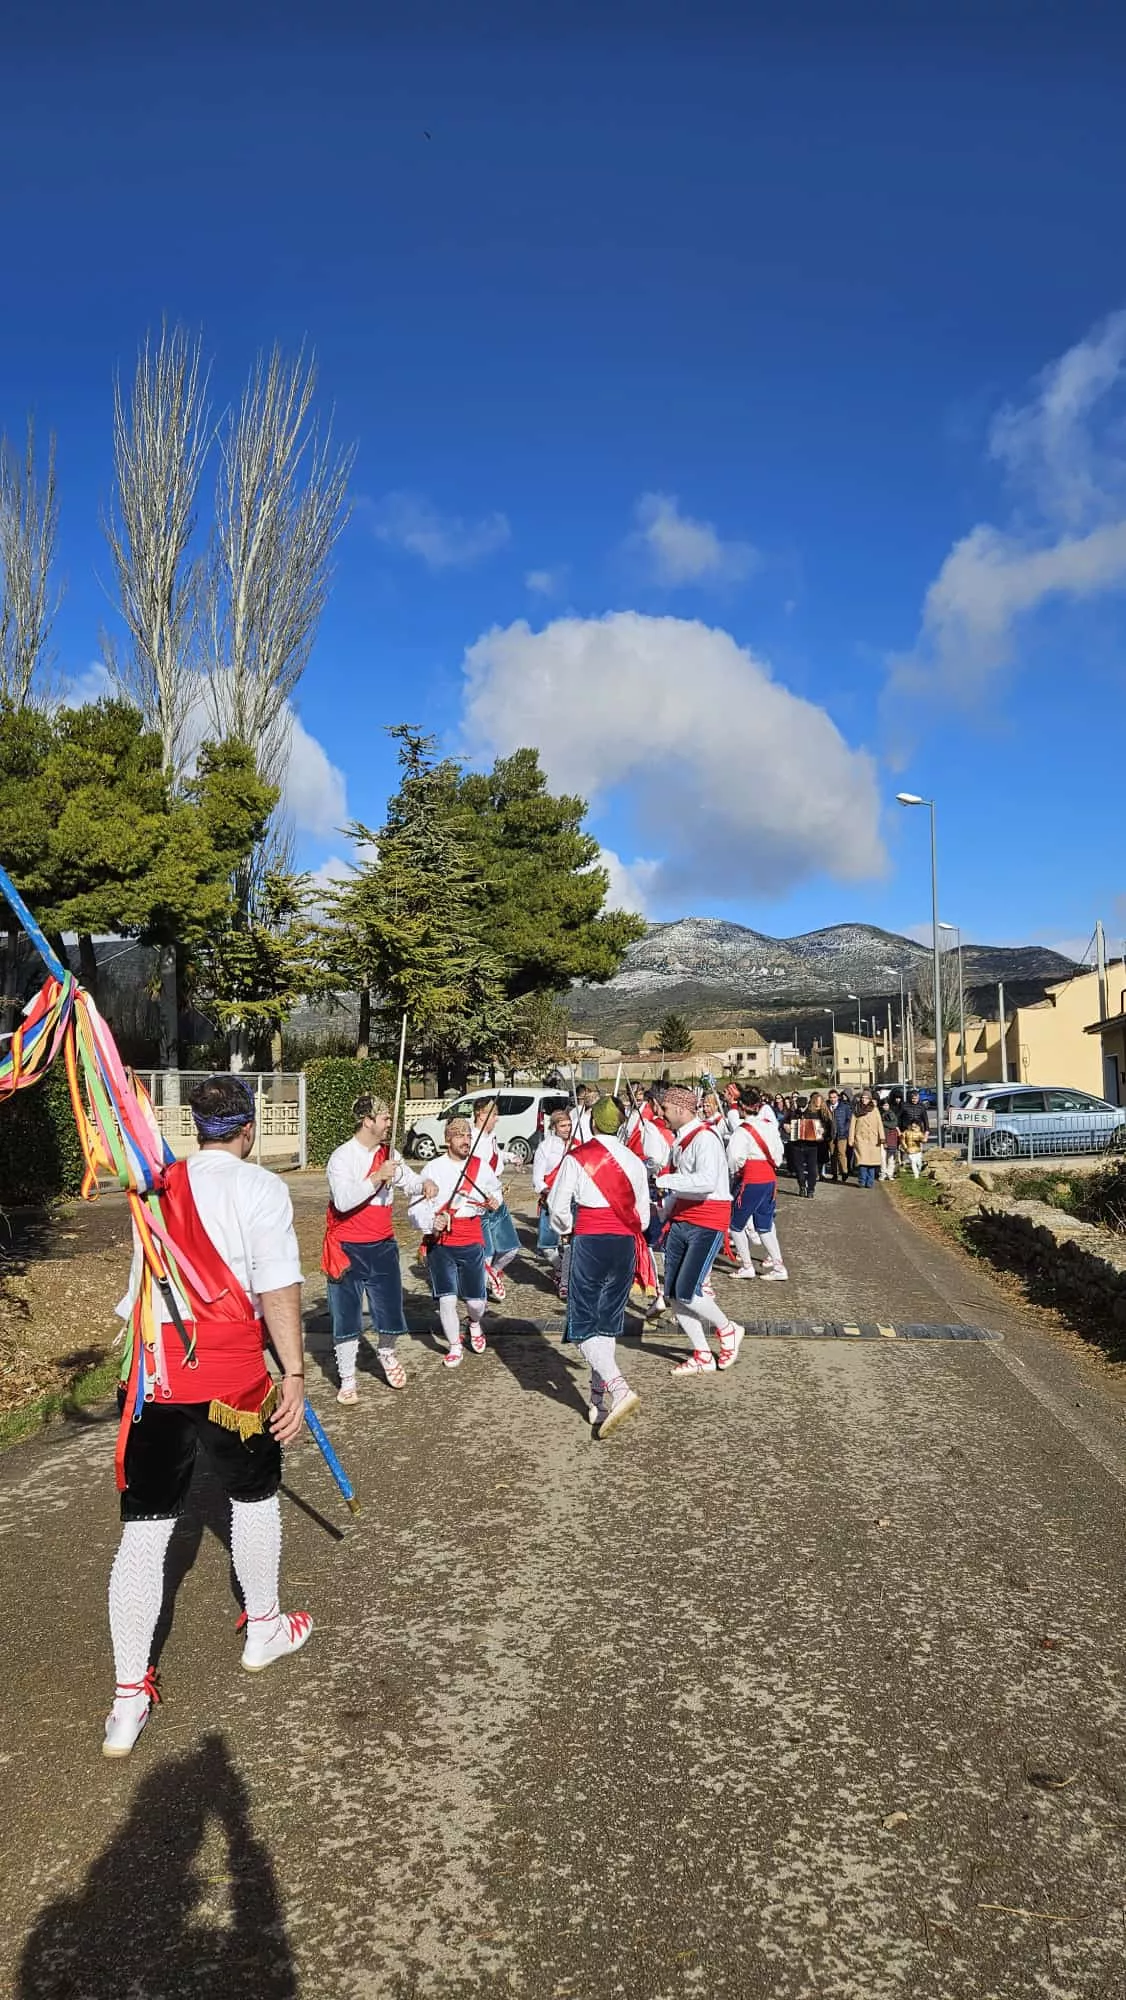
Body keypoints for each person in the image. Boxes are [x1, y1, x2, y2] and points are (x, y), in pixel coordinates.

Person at [103, 1076, 310, 1760]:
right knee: (252, 1500)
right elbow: (278, 1288)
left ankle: (128, 1697)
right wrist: (296, 1377)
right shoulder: (261, 1189)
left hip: (157, 1373)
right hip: (232, 1375)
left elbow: (139, 1289)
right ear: (247, 1128)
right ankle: (265, 1630)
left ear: (197, 1128)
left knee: (143, 1531)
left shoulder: (157, 1187)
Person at [547, 1096, 650, 1435]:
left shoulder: (577, 1158)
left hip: (589, 1243)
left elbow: (557, 1208)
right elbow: (644, 1219)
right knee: (605, 1321)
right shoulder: (635, 1162)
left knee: (582, 1323)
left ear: (591, 1123)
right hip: (624, 1246)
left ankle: (618, 1389)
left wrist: (568, 1230)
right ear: (620, 1125)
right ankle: (597, 1400)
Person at [323, 1094, 434, 1402]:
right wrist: (376, 1178)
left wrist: (424, 1184)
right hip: (347, 1247)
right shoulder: (342, 1157)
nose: (389, 1123)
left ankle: (387, 1353)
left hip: (383, 1245)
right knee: (346, 1315)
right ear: (367, 1121)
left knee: (389, 1308)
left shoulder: (389, 1153)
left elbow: (409, 1181)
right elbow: (343, 1200)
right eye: (385, 1118)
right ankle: (347, 1377)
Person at [656, 1085, 745, 1376]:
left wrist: (667, 1180)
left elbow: (706, 1182)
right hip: (683, 1217)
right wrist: (663, 1208)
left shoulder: (705, 1139)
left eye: (666, 1109)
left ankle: (728, 1329)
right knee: (672, 1292)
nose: (662, 1115)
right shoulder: (680, 1141)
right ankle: (702, 1353)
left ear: (681, 1110)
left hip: (707, 1220)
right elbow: (682, 1185)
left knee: (688, 1290)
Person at [408, 1117, 503, 1368]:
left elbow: (496, 1192)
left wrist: (495, 1201)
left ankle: (473, 1323)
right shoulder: (432, 1168)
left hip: (471, 1238)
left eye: (469, 1136)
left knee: (475, 1302)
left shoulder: (480, 1167)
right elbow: (416, 1209)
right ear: (447, 1139)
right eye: (459, 1136)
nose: (465, 1140)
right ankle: (454, 1345)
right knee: (447, 1299)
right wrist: (431, 1222)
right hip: (441, 1243)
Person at [726, 1089, 788, 1281]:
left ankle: (747, 1266)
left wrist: (734, 1172)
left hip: (751, 1179)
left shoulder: (743, 1130)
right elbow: (779, 1152)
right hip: (769, 1179)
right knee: (765, 1225)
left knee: (735, 1225)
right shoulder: (769, 1126)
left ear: (742, 1108)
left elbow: (734, 1158)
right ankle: (778, 1266)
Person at [472, 1098, 522, 1300]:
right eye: (493, 1114)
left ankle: (493, 1274)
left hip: (498, 1200)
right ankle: (479, 1294)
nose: (497, 1119)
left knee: (511, 1248)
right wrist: (485, 1194)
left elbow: (496, 1155)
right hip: (482, 1203)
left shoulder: (490, 1135)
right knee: (488, 1252)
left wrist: (510, 1157)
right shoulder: (472, 1139)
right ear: (480, 1115)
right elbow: (474, 1172)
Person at [532, 1106, 573, 1265]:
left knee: (571, 1243)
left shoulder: (576, 1144)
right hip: (551, 1201)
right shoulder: (545, 1147)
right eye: (563, 1126)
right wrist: (550, 1192)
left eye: (569, 1125)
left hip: (572, 1200)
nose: (567, 1129)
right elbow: (537, 1179)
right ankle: (561, 1271)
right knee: (548, 1246)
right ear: (554, 1127)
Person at [790, 1092, 830, 1198]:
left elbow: (825, 1127)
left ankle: (811, 1189)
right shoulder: (793, 1114)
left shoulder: (814, 1114)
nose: (801, 1108)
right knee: (799, 1169)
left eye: (803, 1105)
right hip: (797, 1145)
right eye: (799, 1105)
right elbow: (784, 1125)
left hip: (812, 1146)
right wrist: (787, 1127)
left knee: (812, 1169)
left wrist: (822, 1131)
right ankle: (802, 1186)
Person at [849, 1090, 886, 1188]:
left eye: (866, 1098)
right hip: (861, 1138)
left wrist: (882, 1137)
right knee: (862, 1161)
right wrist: (851, 1139)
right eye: (862, 1098)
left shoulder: (875, 1109)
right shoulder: (856, 1109)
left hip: (873, 1140)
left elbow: (879, 1125)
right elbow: (852, 1125)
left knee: (872, 1163)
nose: (864, 1099)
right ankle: (862, 1181)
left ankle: (870, 1182)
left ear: (870, 1099)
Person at [830, 1089, 853, 1183]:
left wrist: (844, 1129)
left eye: (834, 1097)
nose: (832, 1099)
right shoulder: (827, 1106)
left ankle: (844, 1171)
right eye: (831, 1097)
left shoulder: (844, 1107)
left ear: (838, 1097)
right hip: (831, 1134)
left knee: (841, 1153)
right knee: (832, 1154)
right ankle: (834, 1173)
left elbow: (849, 1119)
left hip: (842, 1134)